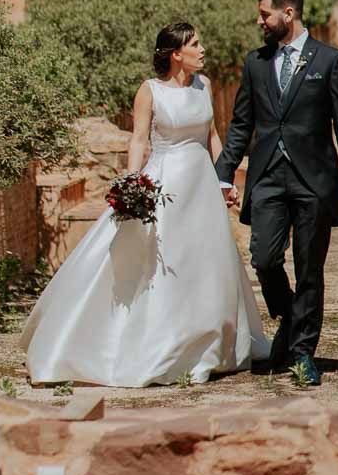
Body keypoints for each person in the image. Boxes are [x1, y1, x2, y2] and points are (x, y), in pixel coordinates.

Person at [23, 20, 267, 387]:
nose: (203, 50)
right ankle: (159, 345)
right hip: (166, 182)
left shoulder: (205, 85)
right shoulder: (150, 91)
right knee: (161, 261)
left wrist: (224, 178)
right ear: (176, 54)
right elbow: (138, 140)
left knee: (205, 261)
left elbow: (213, 135)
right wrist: (132, 183)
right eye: (195, 44)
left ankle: (211, 345)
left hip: (201, 184)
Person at [216, 0, 338, 387]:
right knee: (263, 257)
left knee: (309, 269)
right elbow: (241, 124)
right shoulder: (255, 63)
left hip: (315, 181)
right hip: (267, 177)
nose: (259, 21)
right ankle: (289, 317)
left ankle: (301, 354)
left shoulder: (329, 61)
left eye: (265, 13)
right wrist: (222, 174)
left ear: (289, 13)